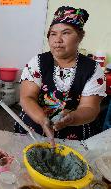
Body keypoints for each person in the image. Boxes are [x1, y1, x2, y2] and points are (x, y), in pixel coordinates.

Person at [15, 6, 106, 146]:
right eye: (53, 34)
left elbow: (90, 108)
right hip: (33, 129)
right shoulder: (38, 62)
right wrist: (42, 119)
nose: (58, 40)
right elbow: (27, 97)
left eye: (66, 33)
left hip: (73, 135)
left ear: (80, 36)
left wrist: (71, 118)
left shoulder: (92, 69)